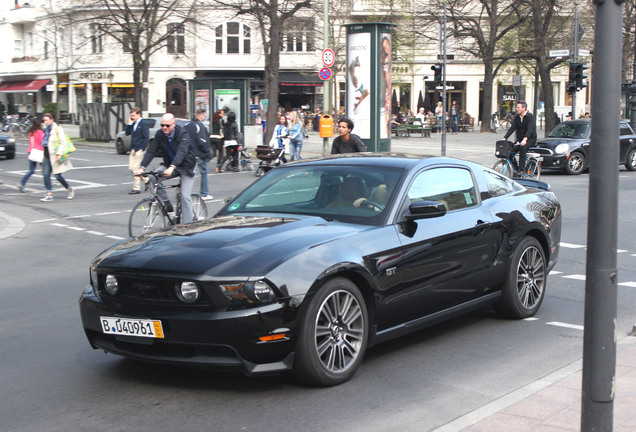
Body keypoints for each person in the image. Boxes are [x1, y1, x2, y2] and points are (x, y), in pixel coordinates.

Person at [136, 113, 196, 223]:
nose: (164, 127)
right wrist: (142, 167)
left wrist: (172, 167)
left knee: (185, 196)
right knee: (153, 177)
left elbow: (181, 152)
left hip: (186, 167)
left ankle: (188, 225)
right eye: (162, 125)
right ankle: (167, 204)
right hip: (169, 165)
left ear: (173, 124)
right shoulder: (160, 134)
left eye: (167, 125)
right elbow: (151, 151)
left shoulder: (183, 134)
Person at [40, 113, 74, 202]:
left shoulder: (57, 129)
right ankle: (49, 194)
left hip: (55, 156)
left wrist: (59, 154)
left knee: (57, 176)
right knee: (46, 174)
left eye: (46, 120)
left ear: (51, 120)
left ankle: (69, 188)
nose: (45, 122)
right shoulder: (46, 130)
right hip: (47, 155)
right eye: (44, 120)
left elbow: (63, 142)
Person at [185, 109, 213, 199]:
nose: (204, 118)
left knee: (187, 174)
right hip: (198, 154)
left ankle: (184, 191)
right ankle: (204, 193)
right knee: (204, 172)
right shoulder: (200, 126)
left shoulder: (187, 125)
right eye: (204, 116)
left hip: (188, 153)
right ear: (200, 116)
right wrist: (208, 154)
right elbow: (202, 142)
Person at [503, 100, 537, 175]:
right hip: (520, 139)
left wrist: (525, 139)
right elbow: (512, 128)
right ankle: (516, 168)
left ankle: (521, 169)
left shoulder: (530, 117)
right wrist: (505, 138)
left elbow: (530, 130)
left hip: (530, 139)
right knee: (510, 151)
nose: (516, 109)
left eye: (518, 107)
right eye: (516, 107)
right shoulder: (517, 117)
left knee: (523, 148)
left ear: (524, 108)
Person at [125, 107, 149, 194]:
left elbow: (146, 137)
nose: (132, 117)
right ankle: (146, 180)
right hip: (133, 148)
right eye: (131, 115)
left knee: (135, 168)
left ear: (138, 115)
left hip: (139, 149)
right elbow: (127, 133)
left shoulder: (143, 124)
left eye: (133, 115)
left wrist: (142, 148)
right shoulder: (133, 123)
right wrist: (130, 124)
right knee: (131, 168)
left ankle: (136, 188)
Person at [18, 118, 44, 193]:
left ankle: (22, 183)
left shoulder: (31, 132)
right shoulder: (40, 132)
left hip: (31, 151)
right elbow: (43, 142)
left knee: (31, 170)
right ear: (39, 124)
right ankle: (47, 185)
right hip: (39, 152)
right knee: (45, 170)